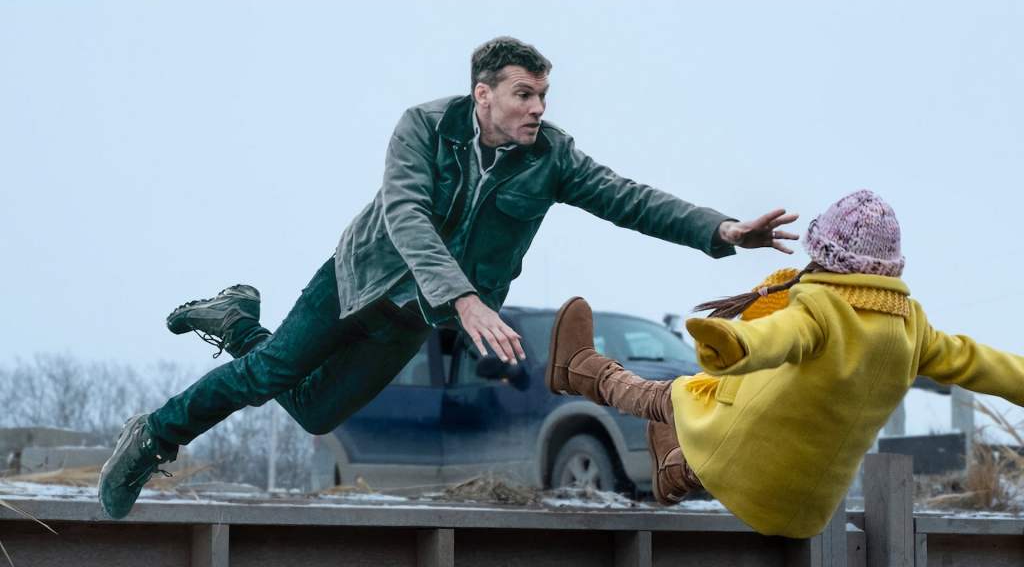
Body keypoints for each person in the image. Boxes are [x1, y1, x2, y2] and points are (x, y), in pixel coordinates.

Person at [98, 36, 800, 519]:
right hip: (360, 279)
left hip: (412, 317)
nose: (538, 108)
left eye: (544, 95)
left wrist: (721, 231)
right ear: (483, 95)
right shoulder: (424, 129)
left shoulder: (552, 158)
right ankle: (154, 437)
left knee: (315, 412)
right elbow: (407, 216)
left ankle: (235, 321)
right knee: (266, 377)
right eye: (524, 94)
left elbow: (628, 198)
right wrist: (463, 298)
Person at [545, 189, 1024, 538]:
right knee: (719, 406)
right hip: (806, 511)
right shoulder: (911, 327)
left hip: (745, 479)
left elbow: (776, 336)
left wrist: (732, 342)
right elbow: (976, 360)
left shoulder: (824, 309)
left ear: (828, 257)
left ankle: (583, 368)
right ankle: (676, 469)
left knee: (674, 395)